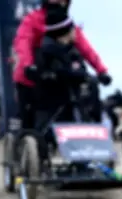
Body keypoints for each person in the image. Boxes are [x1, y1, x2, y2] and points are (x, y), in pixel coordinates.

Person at [13, 0, 111, 131]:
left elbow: (85, 48)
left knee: (66, 110)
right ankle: (25, 143)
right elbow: (23, 42)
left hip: (56, 77)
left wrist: (101, 71)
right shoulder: (32, 20)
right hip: (30, 76)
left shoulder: (66, 22)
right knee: (29, 122)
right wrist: (28, 65)